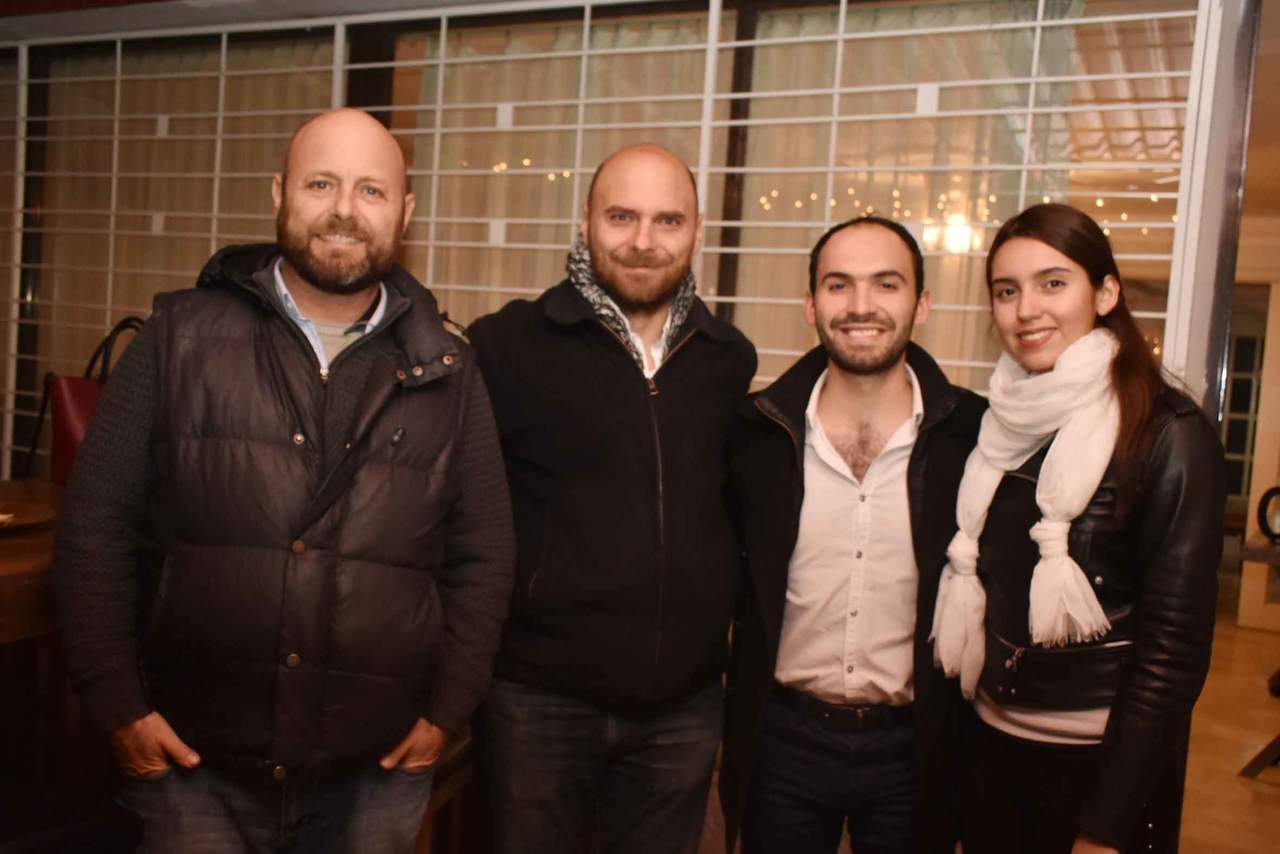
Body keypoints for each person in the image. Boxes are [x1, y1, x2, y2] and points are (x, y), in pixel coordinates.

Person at [53, 108, 515, 852]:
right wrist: (118, 706)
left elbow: (484, 554)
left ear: (405, 212)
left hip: (377, 771)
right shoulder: (176, 338)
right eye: (321, 184)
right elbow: (95, 525)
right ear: (279, 193)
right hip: (191, 762)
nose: (344, 209)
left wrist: (449, 709)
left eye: (370, 190)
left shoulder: (449, 369)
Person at [467, 143, 757, 854]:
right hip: (537, 704)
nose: (643, 241)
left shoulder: (727, 358)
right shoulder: (505, 347)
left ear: (696, 232)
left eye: (668, 220)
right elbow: (462, 520)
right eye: (621, 216)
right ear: (586, 221)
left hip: (682, 711)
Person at [930, 203, 1226, 854]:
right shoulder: (998, 425)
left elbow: (1173, 656)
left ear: (1106, 293)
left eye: (1053, 283)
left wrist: (1105, 826)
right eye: (1007, 291)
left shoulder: (1169, 434)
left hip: (1096, 769)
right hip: (990, 748)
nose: (1027, 309)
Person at [719, 215, 985, 854]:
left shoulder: (974, 437)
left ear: (922, 304)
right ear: (811, 305)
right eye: (839, 285)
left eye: (886, 284)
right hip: (783, 740)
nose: (861, 306)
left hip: (916, 746)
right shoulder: (755, 435)